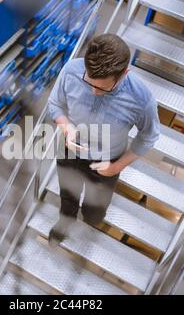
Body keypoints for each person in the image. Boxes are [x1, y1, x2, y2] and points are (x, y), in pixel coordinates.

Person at [47, 34, 160, 247]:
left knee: (95, 211)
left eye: (103, 88)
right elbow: (55, 103)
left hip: (106, 162)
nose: (94, 92)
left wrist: (116, 167)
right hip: (70, 151)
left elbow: (148, 136)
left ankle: (91, 223)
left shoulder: (141, 100)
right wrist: (66, 126)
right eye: (89, 83)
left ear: (124, 74)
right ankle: (66, 221)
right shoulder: (72, 71)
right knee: (68, 195)